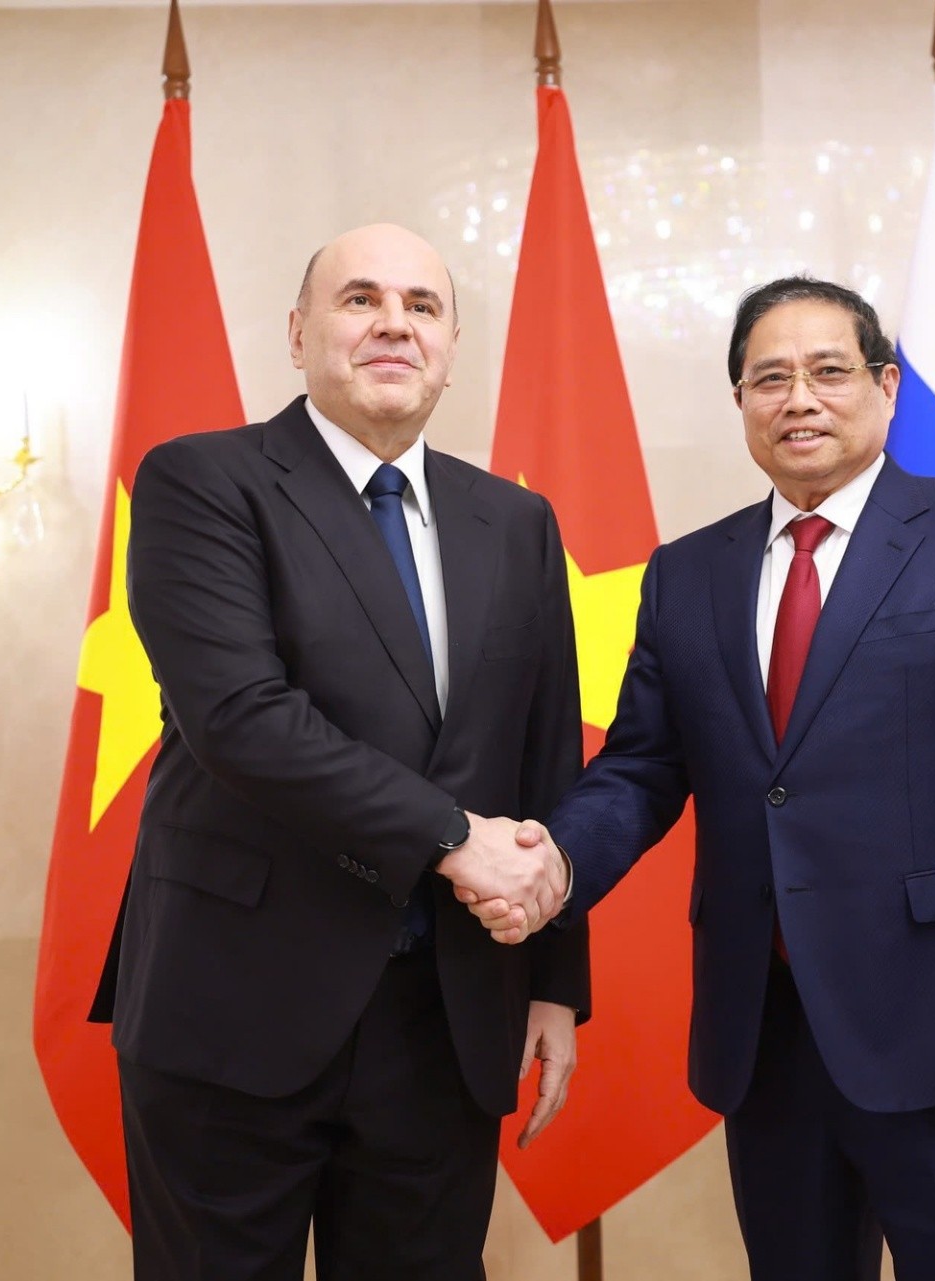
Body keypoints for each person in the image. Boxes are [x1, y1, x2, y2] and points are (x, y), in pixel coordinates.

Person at [459, 276, 935, 1281]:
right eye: (770, 378)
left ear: (886, 386)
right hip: (763, 1031)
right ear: (741, 403)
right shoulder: (688, 573)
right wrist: (554, 864)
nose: (799, 398)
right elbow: (643, 767)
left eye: (829, 371)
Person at [90, 223, 585, 1281]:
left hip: (447, 1014)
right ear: (298, 333)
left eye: (422, 305)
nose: (394, 324)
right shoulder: (202, 481)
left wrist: (553, 978)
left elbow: (544, 758)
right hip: (235, 1004)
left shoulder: (518, 522)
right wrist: (452, 837)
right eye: (361, 299)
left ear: (450, 347)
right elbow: (242, 717)